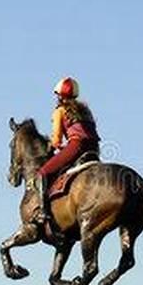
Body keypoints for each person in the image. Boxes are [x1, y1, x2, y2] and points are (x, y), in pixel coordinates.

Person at [35, 76, 100, 225]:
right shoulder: (85, 110)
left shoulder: (60, 111)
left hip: (76, 146)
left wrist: (55, 146)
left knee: (42, 174)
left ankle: (43, 212)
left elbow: (57, 139)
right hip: (94, 149)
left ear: (59, 95)